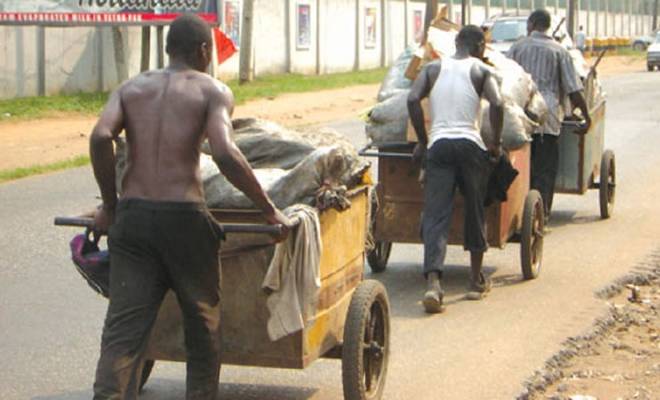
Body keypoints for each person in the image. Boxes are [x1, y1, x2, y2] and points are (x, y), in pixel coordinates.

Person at [89, 14, 290, 400]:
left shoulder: (130, 88)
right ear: (203, 51)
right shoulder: (212, 90)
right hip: (184, 220)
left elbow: (101, 137)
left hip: (133, 220)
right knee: (202, 326)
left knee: (123, 330)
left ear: (167, 49)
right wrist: (268, 209)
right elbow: (225, 153)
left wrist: (110, 206)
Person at [407, 25, 504, 314]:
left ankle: (434, 285)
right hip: (470, 146)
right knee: (475, 208)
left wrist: (423, 142)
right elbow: (497, 103)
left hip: (439, 146)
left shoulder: (433, 69)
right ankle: (475, 281)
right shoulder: (481, 71)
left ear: (456, 44)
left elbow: (412, 99)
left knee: (437, 213)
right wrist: (496, 144)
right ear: (479, 47)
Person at [507, 9, 591, 220]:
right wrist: (586, 116)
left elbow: (504, 79)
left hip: (520, 116)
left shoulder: (517, 47)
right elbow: (573, 89)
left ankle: (518, 211)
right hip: (549, 117)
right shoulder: (559, 51)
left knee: (521, 165)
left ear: (532, 24)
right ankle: (541, 215)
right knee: (545, 168)